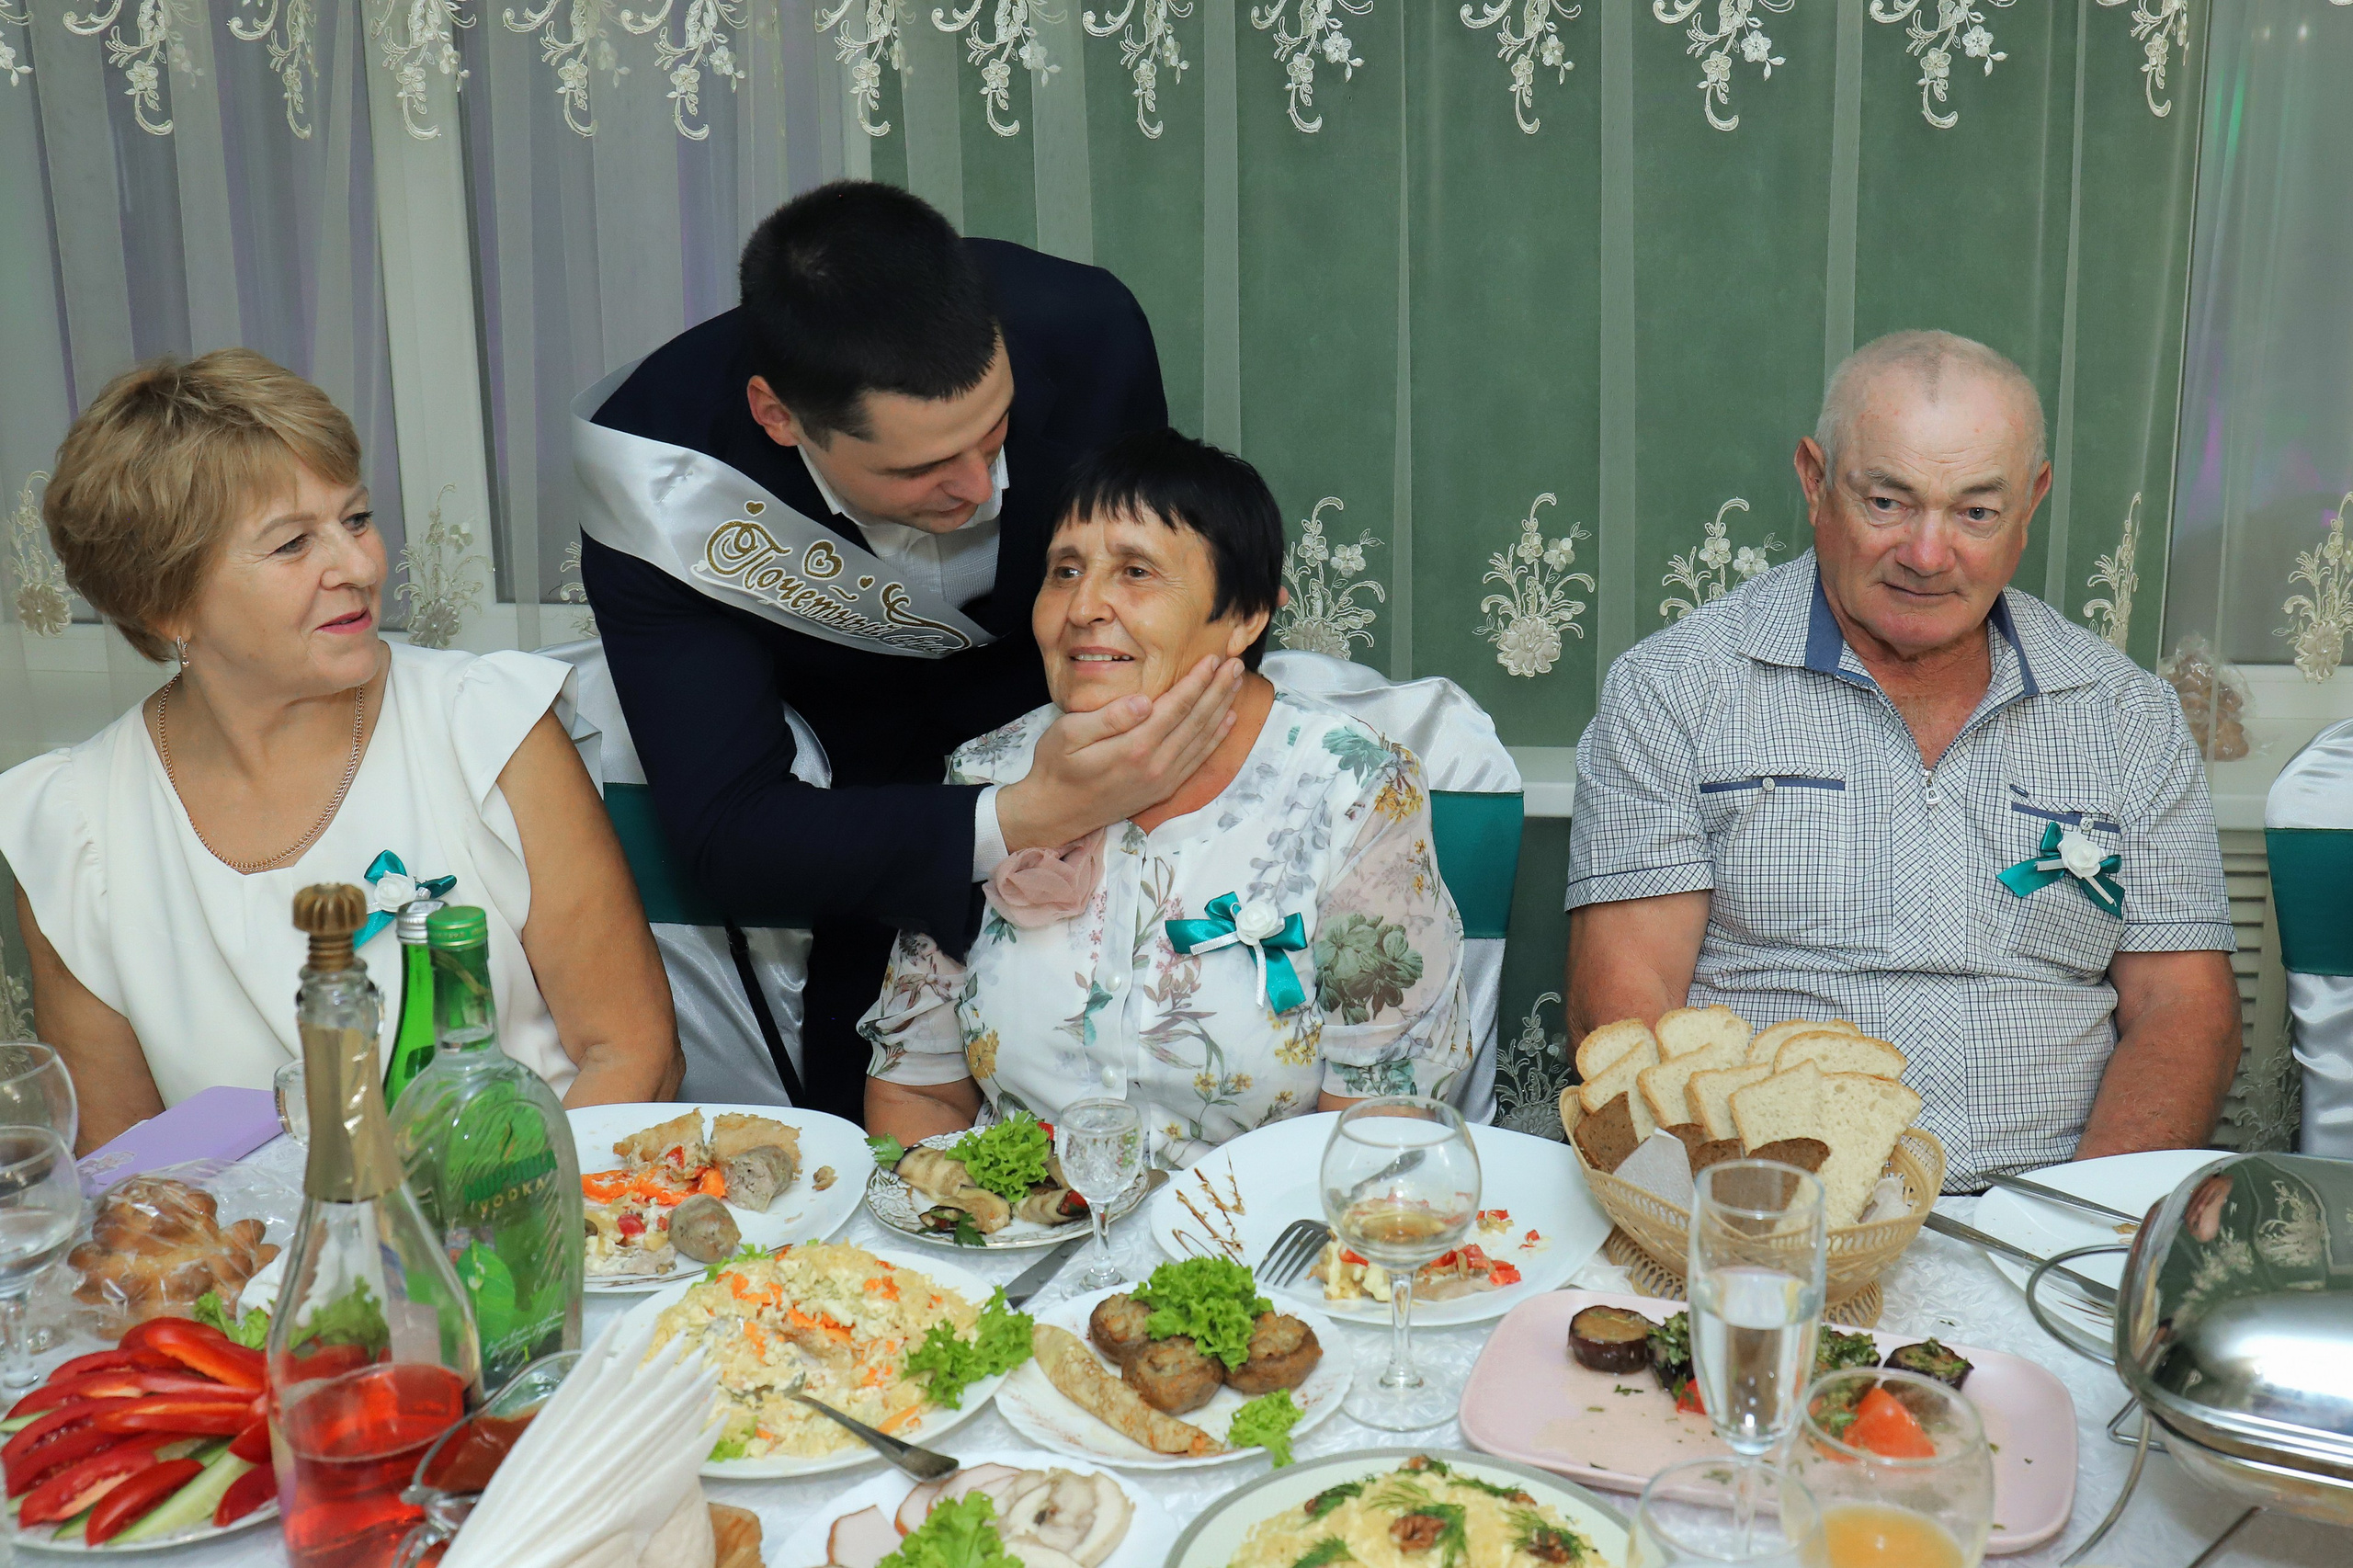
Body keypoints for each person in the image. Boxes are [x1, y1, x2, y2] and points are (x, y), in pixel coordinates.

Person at [580, 182, 1242, 1123]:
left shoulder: (1086, 328)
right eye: (919, 468)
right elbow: (730, 833)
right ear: (777, 416)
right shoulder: (665, 482)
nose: (978, 487)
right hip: (874, 834)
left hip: (1117, 767)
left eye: (995, 430)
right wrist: (1021, 813)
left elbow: (1166, 580)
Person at [1564, 330, 2240, 1188]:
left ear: (2032, 503)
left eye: (1975, 512)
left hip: (2049, 1203)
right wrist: (1739, 1212)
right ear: (1814, 481)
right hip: (1763, 1205)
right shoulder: (1676, 690)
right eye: (1887, 502)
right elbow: (1625, 998)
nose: (1927, 555)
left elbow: (2185, 1009)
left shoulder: (2125, 713)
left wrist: (2080, 1222)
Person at [0, 351, 680, 1152]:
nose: (360, 567)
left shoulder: (483, 728)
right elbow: (130, 1173)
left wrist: (488, 1243)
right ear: (163, 603)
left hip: (534, 1231)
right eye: (293, 545)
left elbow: (633, 1055)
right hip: (270, 1269)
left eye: (355, 519)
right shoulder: (73, 829)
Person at [860, 430, 1474, 1165]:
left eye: (1136, 571)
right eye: (1064, 571)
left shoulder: (1353, 787)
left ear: (1244, 616)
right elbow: (919, 1086)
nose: (1084, 606)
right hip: (1020, 1244)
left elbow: (1380, 1120)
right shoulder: (988, 777)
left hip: (1264, 1246)